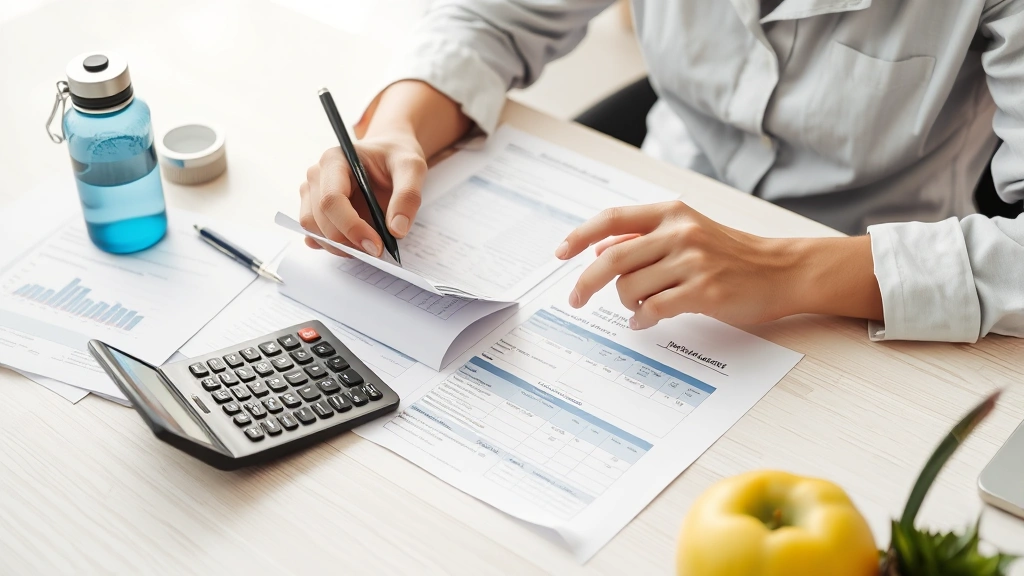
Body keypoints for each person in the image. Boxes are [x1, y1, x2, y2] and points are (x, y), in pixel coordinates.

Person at [298, 0, 1024, 343]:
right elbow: (493, 20)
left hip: (865, 289)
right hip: (639, 224)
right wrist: (398, 126)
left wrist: (788, 270)